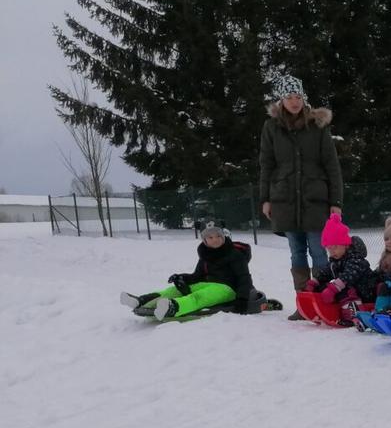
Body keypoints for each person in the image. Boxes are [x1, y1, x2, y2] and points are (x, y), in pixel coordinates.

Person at [257, 73, 343, 315]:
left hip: (315, 200)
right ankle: (304, 303)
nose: (294, 101)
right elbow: (267, 164)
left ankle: (325, 301)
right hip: (284, 199)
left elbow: (332, 165)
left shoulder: (317, 126)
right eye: (289, 97)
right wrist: (265, 198)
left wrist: (335, 201)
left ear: (304, 98)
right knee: (296, 252)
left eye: (298, 96)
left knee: (318, 250)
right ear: (281, 101)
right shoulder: (271, 127)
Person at [120, 223, 270, 320]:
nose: (215, 240)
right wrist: (182, 279)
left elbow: (244, 278)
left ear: (224, 237)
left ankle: (173, 307)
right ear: (205, 240)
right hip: (207, 283)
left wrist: (242, 300)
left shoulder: (235, 255)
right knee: (173, 290)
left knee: (199, 296)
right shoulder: (205, 255)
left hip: (227, 288)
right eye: (210, 237)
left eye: (218, 236)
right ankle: (142, 301)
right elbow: (198, 276)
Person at [306, 213, 376, 324]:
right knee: (325, 288)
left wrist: (333, 288)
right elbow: (327, 271)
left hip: (366, 292)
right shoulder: (336, 260)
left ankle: (353, 316)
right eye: (329, 249)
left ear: (345, 244)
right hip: (351, 290)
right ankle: (320, 310)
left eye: (335, 247)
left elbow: (348, 276)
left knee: (345, 290)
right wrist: (315, 281)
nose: (332, 251)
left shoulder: (356, 259)